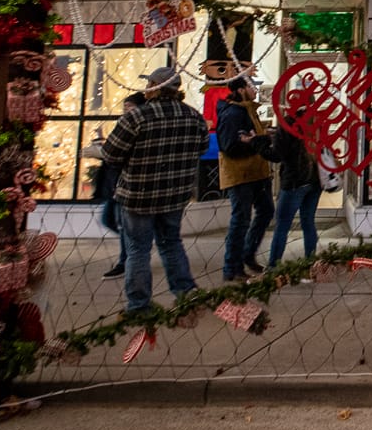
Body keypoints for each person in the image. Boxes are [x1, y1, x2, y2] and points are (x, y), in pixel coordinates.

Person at [100, 67, 208, 315]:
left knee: (138, 249)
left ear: (157, 87)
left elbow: (110, 153)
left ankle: (139, 304)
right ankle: (185, 293)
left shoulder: (137, 118)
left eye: (149, 83)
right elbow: (202, 147)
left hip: (138, 195)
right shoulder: (193, 116)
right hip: (174, 195)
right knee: (171, 243)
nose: (146, 88)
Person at [217, 75, 277, 280]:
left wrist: (262, 137)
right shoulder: (232, 114)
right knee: (240, 220)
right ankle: (232, 268)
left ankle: (247, 255)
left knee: (266, 211)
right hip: (241, 175)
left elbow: (251, 138)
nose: (255, 89)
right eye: (252, 86)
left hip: (258, 173)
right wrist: (258, 142)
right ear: (241, 89)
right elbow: (228, 146)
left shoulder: (249, 110)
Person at [85, 91, 146, 279]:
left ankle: (127, 259)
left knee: (123, 225)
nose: (126, 111)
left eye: (130, 107)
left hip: (124, 184)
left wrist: (102, 152)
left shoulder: (137, 126)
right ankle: (133, 252)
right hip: (112, 183)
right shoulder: (125, 125)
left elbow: (117, 153)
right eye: (125, 107)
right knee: (110, 221)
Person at [266, 114, 323, 268]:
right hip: (315, 180)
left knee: (282, 225)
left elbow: (276, 155)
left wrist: (257, 143)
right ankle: (310, 262)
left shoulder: (288, 124)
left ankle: (273, 266)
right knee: (308, 222)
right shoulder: (316, 122)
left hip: (294, 181)